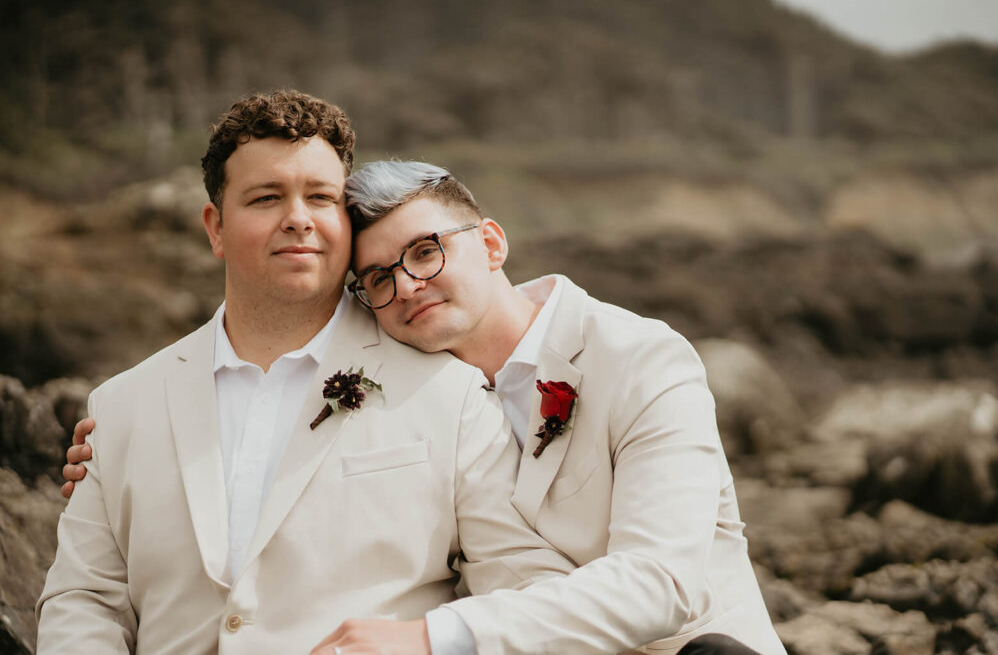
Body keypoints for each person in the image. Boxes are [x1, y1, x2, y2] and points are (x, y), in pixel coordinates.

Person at [65, 158, 785, 653]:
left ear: (493, 242)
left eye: (426, 252)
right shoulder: (407, 388)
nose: (406, 285)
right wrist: (126, 463)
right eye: (376, 277)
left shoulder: (639, 357)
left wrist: (433, 637)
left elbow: (661, 581)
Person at [36, 92, 578, 654]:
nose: (297, 219)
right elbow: (85, 599)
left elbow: (525, 584)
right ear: (216, 228)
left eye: (320, 197)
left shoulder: (452, 392)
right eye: (267, 198)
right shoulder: (121, 406)